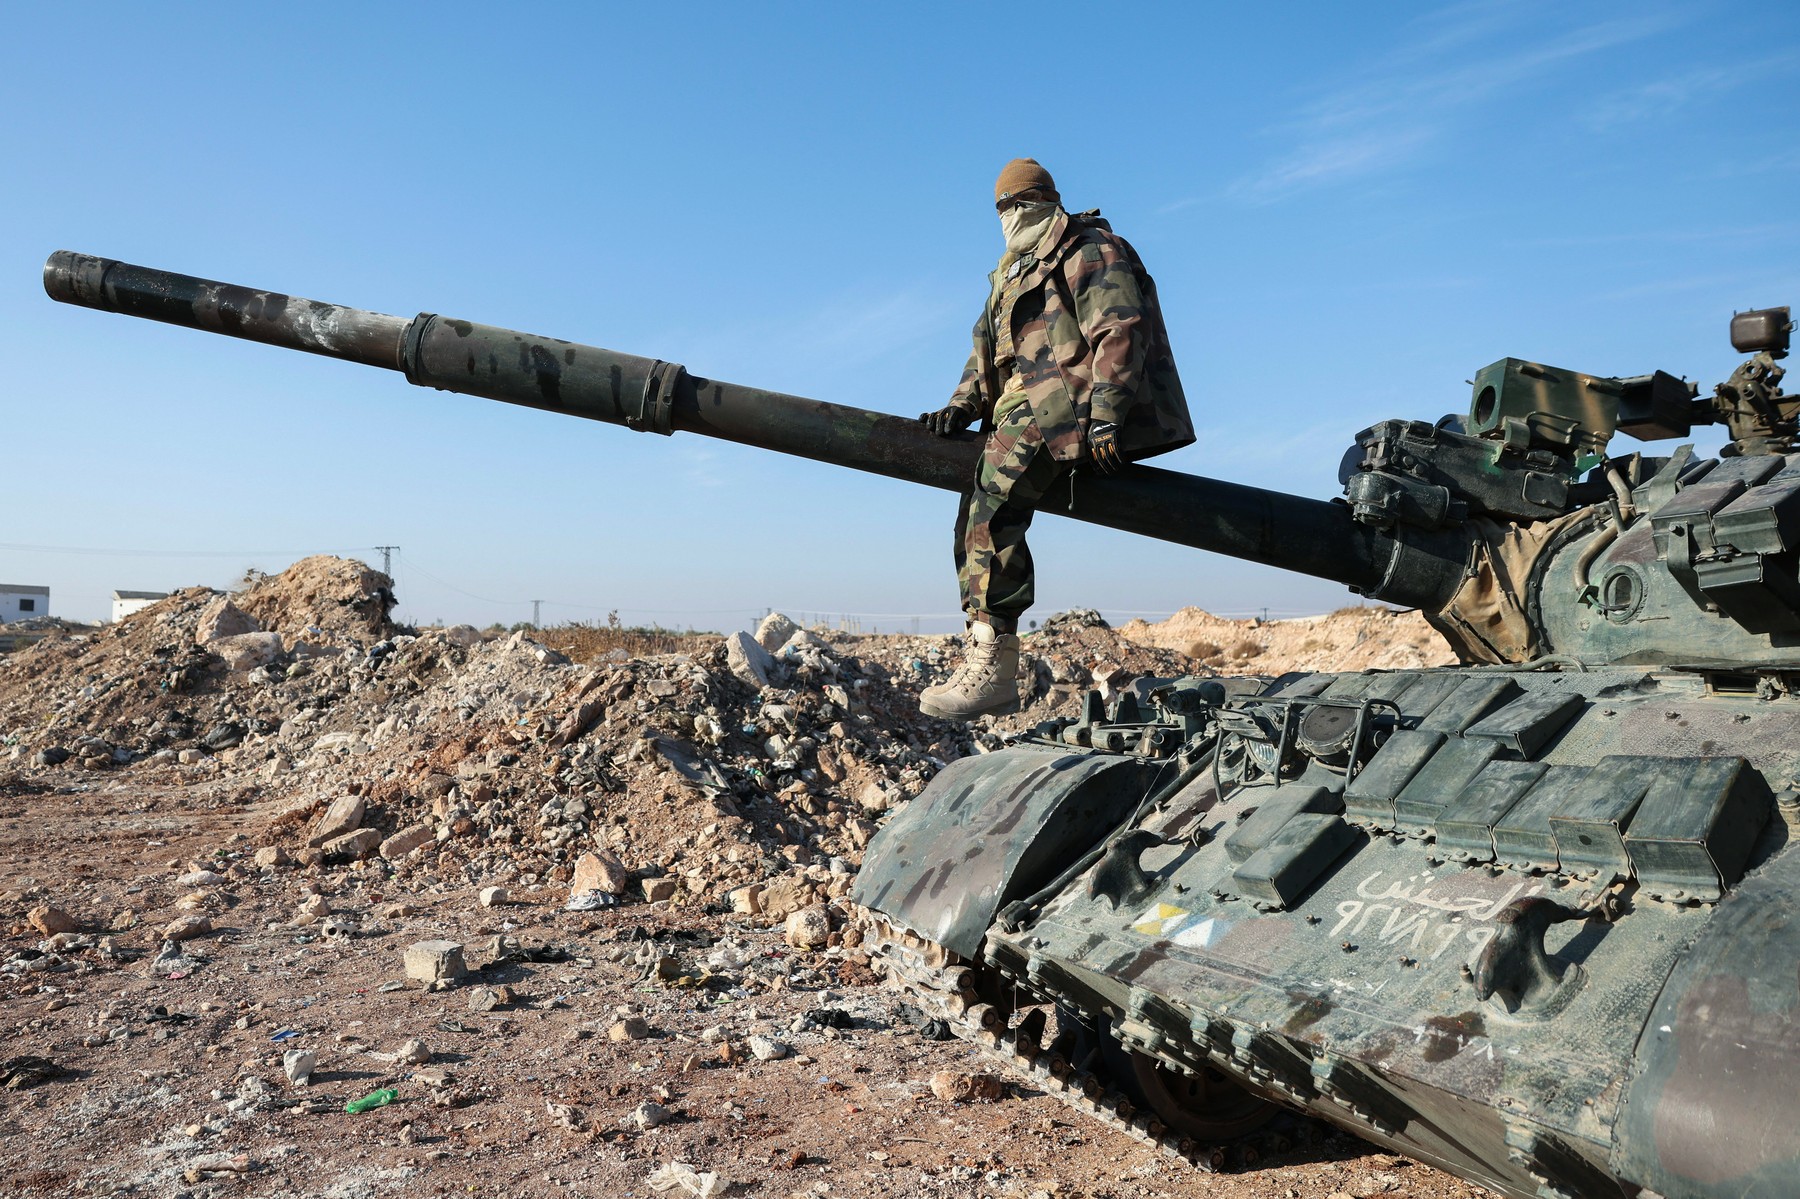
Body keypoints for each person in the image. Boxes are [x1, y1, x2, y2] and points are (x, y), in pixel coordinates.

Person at [917, 158, 1195, 720]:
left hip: (1067, 402)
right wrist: (960, 405)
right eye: (1002, 208)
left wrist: (1107, 416)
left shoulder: (1088, 249)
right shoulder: (1010, 272)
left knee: (993, 505)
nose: (1010, 216)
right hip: (1022, 406)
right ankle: (986, 647)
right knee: (975, 511)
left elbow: (1120, 328)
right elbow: (987, 353)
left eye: (1019, 204)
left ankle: (994, 666)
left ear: (1045, 201)